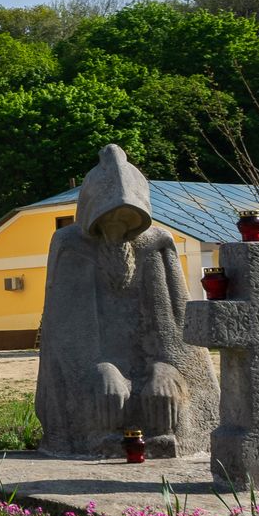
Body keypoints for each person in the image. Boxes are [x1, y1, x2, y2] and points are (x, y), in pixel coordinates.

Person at [36, 145, 219, 457]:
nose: (117, 227)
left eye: (127, 217)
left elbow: (176, 330)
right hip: (94, 370)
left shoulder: (156, 246)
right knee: (106, 391)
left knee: (164, 393)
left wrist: (166, 368)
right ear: (92, 211)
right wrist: (102, 369)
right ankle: (98, 437)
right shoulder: (71, 247)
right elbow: (65, 336)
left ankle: (165, 437)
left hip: (152, 365)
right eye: (109, 216)